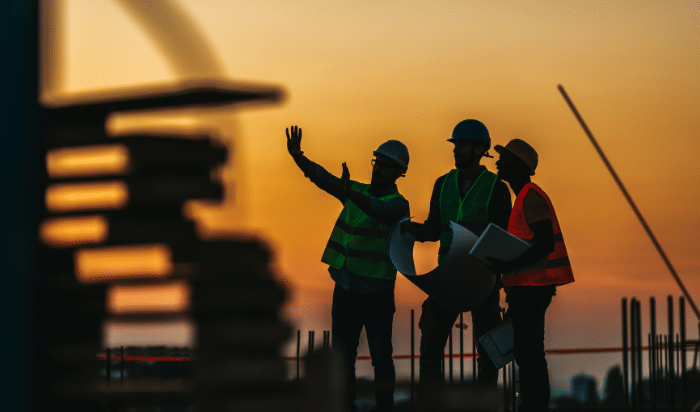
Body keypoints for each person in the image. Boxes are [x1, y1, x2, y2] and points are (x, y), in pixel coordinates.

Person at [285, 125, 410, 412]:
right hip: (345, 287)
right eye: (377, 162)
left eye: (387, 166)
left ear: (399, 173)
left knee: (381, 357)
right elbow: (323, 179)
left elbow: (378, 210)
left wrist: (349, 194)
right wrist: (298, 156)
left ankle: (384, 408)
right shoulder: (355, 190)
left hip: (376, 292)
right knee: (343, 358)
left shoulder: (398, 205)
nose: (379, 170)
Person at [401, 119, 512, 393]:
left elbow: (503, 239)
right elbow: (435, 227)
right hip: (448, 279)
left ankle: (482, 404)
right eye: (456, 145)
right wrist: (415, 231)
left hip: (482, 280)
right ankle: (433, 404)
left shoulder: (495, 186)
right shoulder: (443, 184)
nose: (456, 150)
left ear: (478, 149)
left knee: (488, 352)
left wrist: (501, 281)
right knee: (430, 349)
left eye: (461, 145)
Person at [485, 138, 575, 412]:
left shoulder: (531, 196)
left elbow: (545, 242)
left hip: (533, 289)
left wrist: (506, 264)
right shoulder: (523, 198)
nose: (498, 162)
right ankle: (536, 405)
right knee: (531, 350)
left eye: (505, 158)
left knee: (527, 351)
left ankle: (533, 406)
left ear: (520, 165)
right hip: (527, 287)